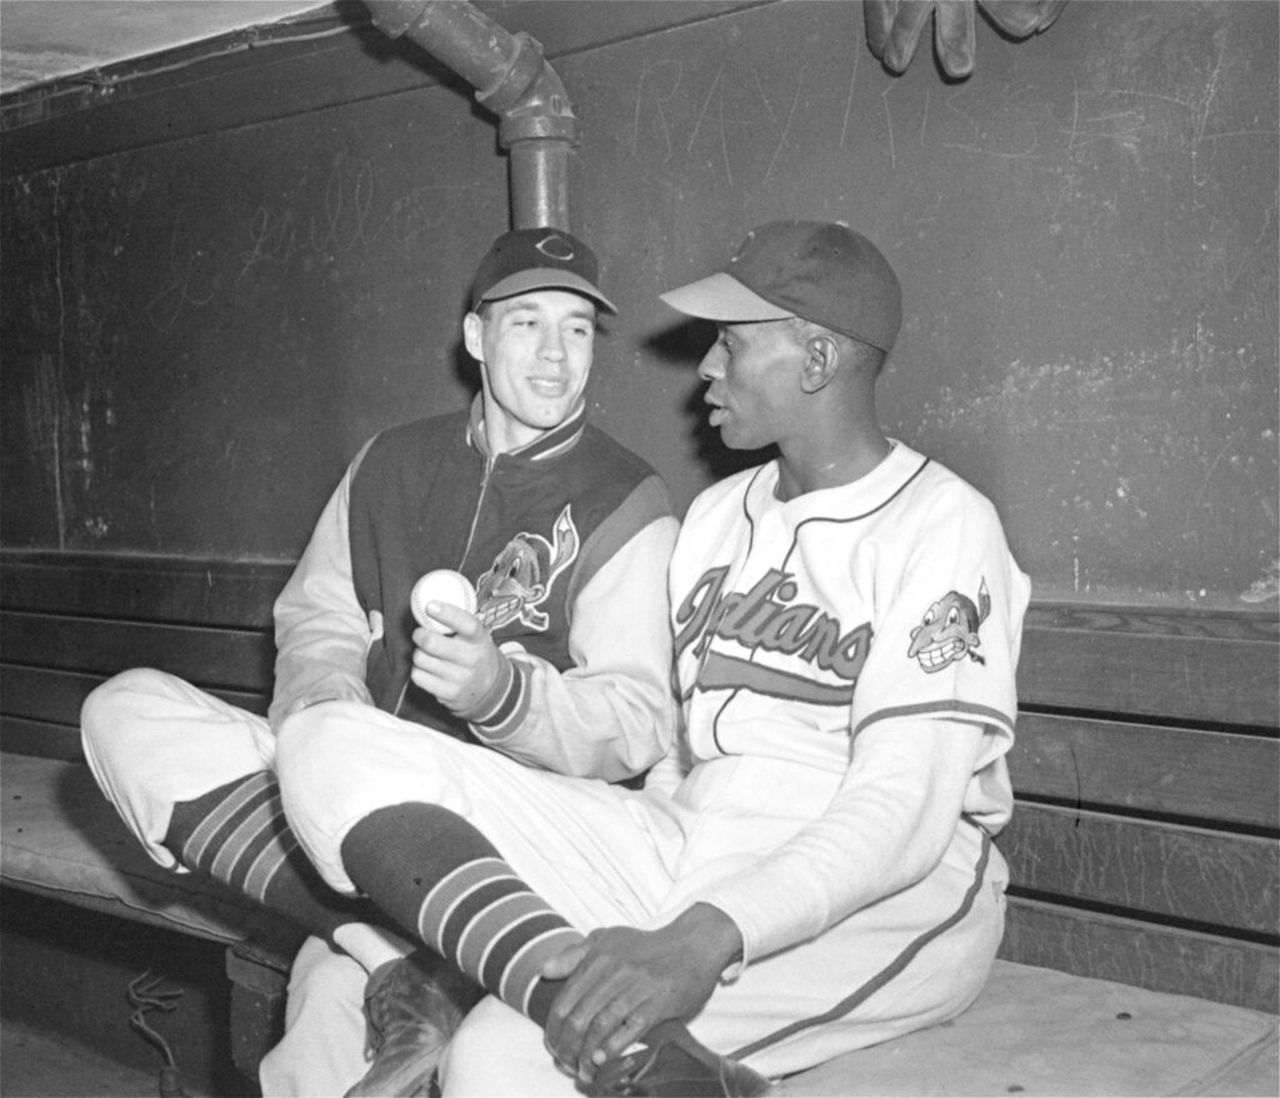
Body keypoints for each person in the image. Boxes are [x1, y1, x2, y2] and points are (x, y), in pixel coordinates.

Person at [275, 219, 1031, 1097]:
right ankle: (412, 957)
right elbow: (676, 750)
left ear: (817, 362)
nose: (707, 366)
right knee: (327, 745)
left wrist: (699, 936)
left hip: (891, 892)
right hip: (697, 848)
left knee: (499, 1060)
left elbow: (903, 811)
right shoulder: (718, 516)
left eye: (733, 343)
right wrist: (646, 890)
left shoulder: (942, 524)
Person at [80, 227, 680, 1097]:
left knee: (323, 1039)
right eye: (527, 324)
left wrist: (501, 693)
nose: (556, 356)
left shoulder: (625, 497)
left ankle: (401, 956)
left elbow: (634, 722)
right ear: (476, 337)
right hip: (357, 816)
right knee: (123, 712)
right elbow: (319, 613)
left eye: (578, 328)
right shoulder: (392, 460)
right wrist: (328, 706)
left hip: (509, 834)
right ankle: (393, 956)